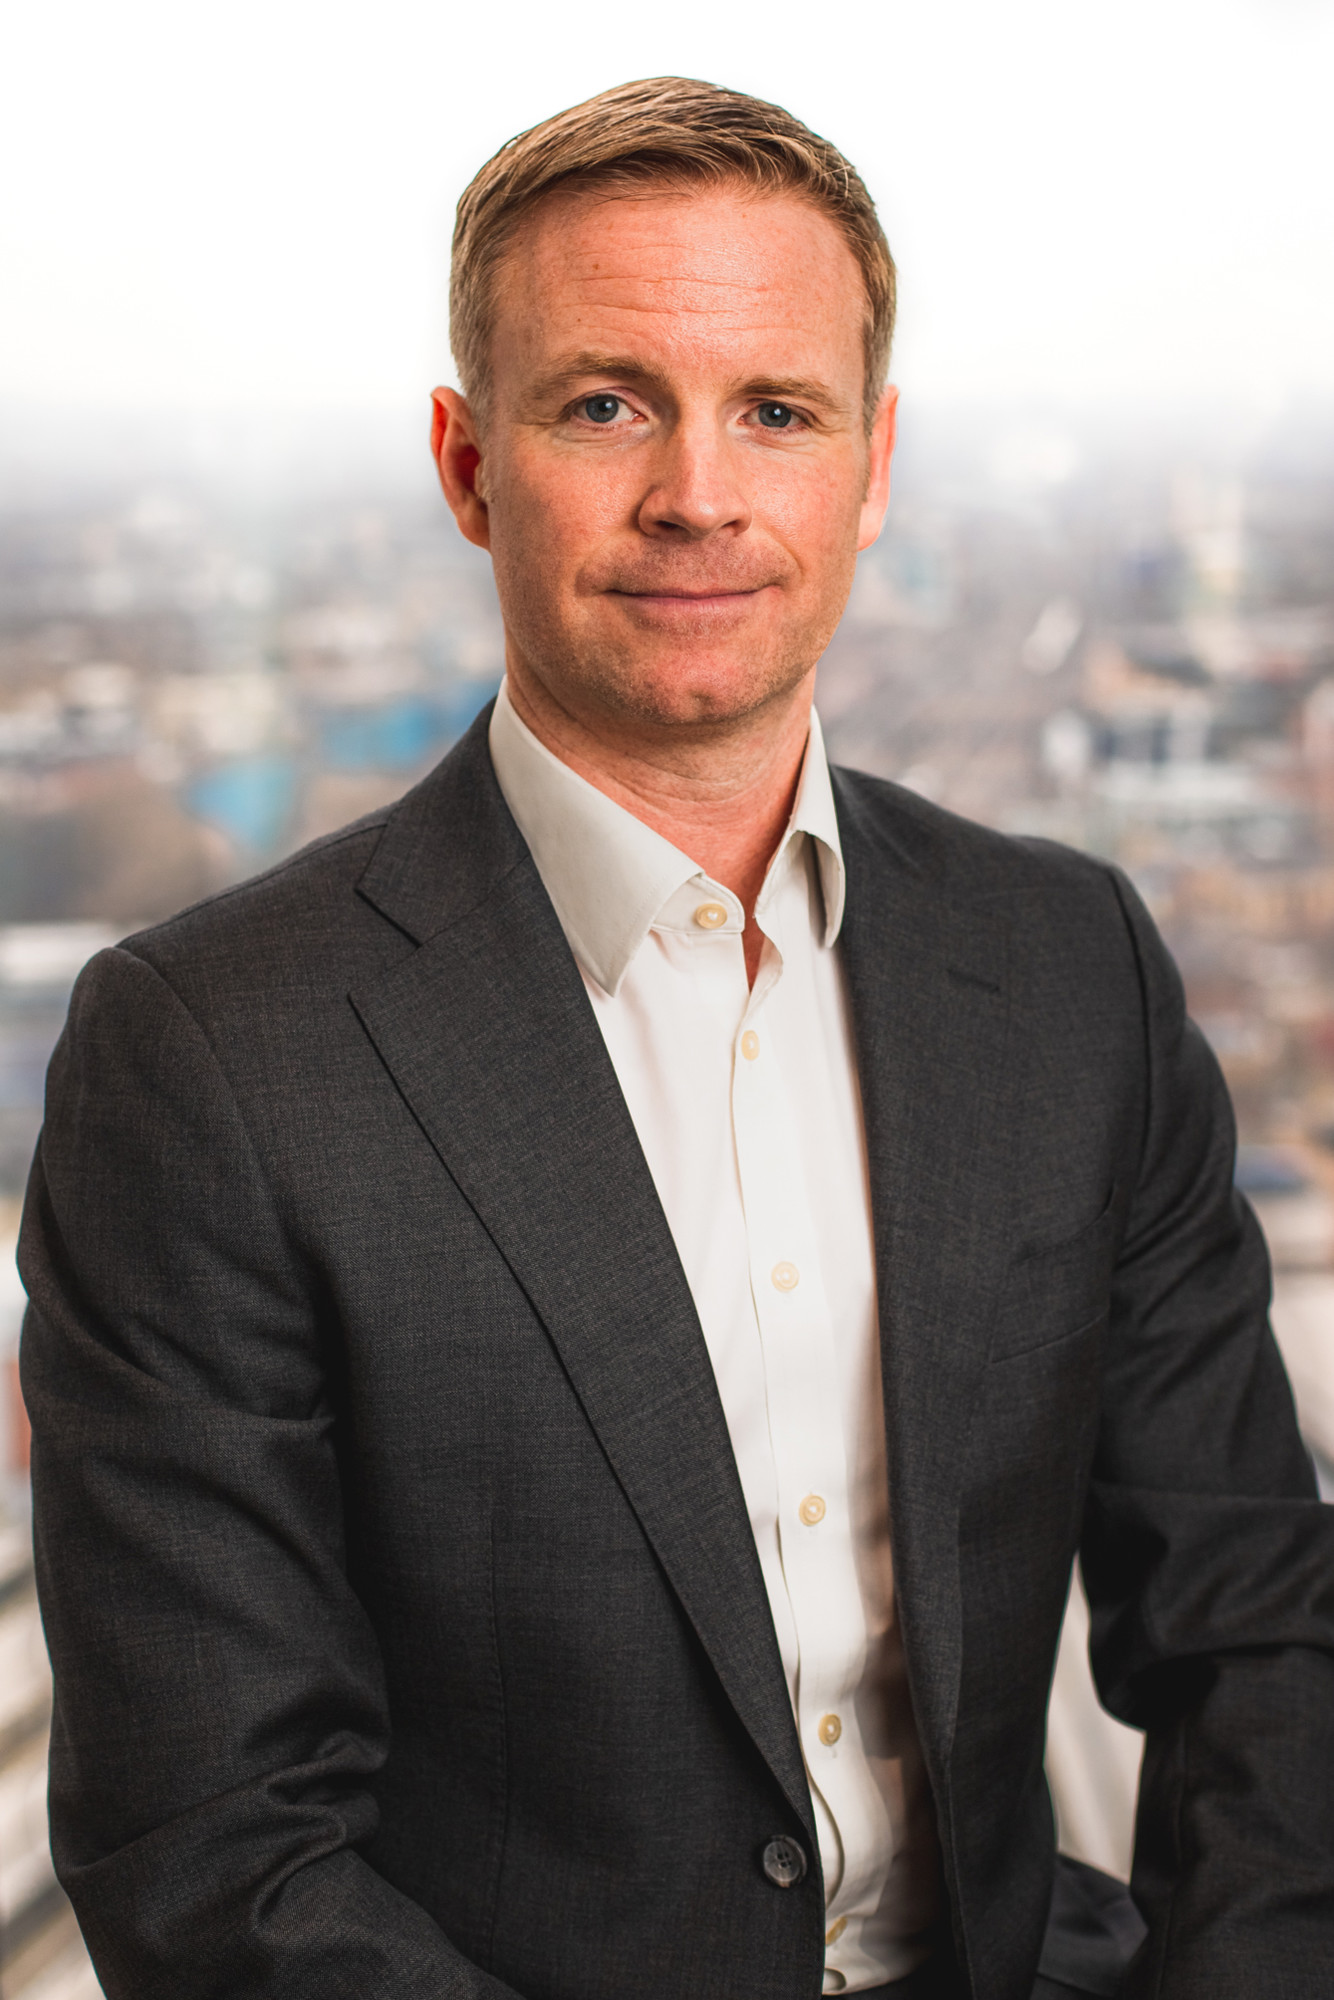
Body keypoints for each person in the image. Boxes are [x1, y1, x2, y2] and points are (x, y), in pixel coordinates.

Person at [19, 76, 1334, 2000]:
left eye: (775, 411)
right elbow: (217, 1845)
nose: (697, 493)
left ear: (869, 468)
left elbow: (1258, 1632)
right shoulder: (213, 1056)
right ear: (470, 465)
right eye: (605, 402)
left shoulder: (1069, 971)